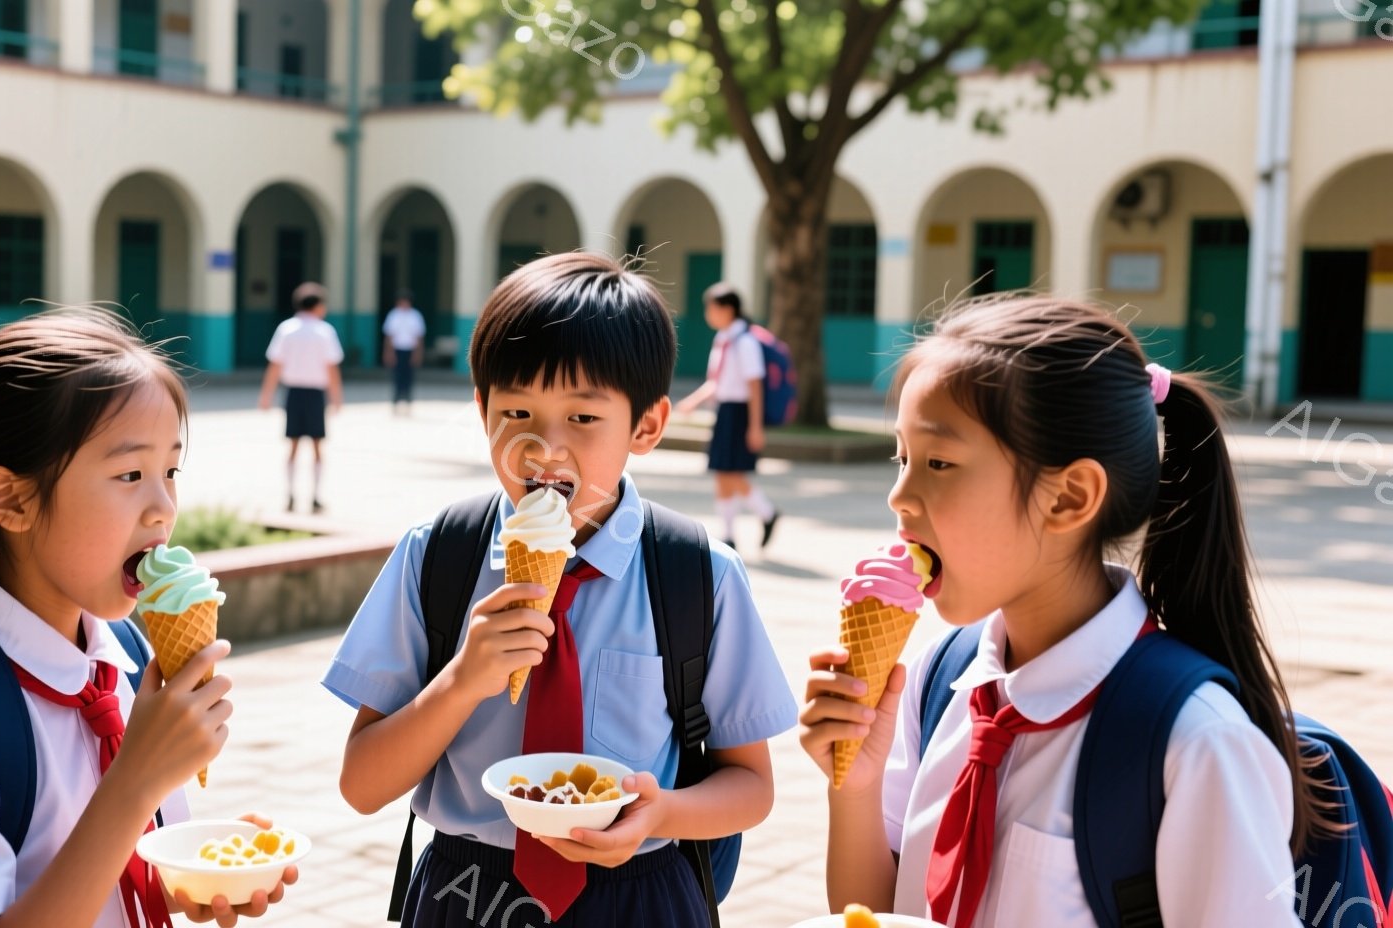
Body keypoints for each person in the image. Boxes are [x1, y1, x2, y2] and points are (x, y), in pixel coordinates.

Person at [797, 297, 1320, 927]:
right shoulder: (940, 679)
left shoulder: (1197, 742)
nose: (899, 496)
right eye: (901, 458)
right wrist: (853, 788)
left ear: (1070, 497)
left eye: (938, 463)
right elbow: (870, 913)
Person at [324, 252, 797, 927]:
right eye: (516, 410)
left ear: (647, 426)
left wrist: (662, 811)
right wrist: (463, 679)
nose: (544, 448)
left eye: (581, 419)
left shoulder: (696, 575)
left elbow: (750, 786)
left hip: (640, 891)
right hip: (468, 892)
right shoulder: (437, 557)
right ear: (482, 409)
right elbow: (362, 785)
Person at [0, 307, 293, 928]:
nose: (163, 508)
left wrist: (194, 872)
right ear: (11, 499)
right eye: (130, 473)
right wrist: (134, 783)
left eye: (170, 471)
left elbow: (103, 868)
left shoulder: (122, 661)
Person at [676, 282, 779, 550]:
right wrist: (693, 402)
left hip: (740, 412)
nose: (708, 314)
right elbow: (716, 381)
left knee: (730, 472)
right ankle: (729, 533)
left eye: (711, 308)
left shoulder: (745, 342)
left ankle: (767, 512)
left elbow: (755, 385)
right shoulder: (723, 340)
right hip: (725, 411)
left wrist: (755, 426)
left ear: (727, 309)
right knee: (722, 473)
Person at [258, 282, 344, 513]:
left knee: (293, 446)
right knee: (317, 447)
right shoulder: (325, 331)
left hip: (293, 393)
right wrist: (336, 397)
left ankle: (291, 495)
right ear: (317, 306)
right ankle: (315, 496)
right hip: (316, 394)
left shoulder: (286, 329)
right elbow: (332, 368)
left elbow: (275, 365)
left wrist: (266, 395)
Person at [383, 289, 427, 414]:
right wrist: (388, 352)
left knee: (409, 376)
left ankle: (408, 401)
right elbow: (389, 336)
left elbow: (419, 337)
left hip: (410, 350)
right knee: (397, 376)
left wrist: (418, 354)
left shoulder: (415, 316)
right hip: (397, 349)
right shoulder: (393, 315)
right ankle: (396, 402)